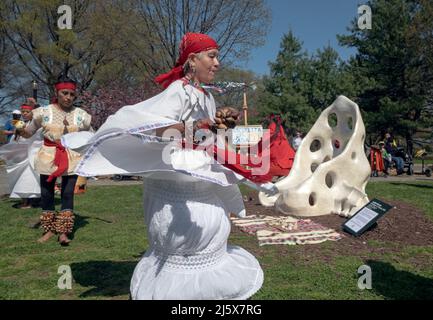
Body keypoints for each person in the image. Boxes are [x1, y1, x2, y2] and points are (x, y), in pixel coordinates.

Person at [62, 32, 265, 299]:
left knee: (210, 234)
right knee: (182, 241)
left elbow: (209, 135)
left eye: (217, 57)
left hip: (201, 175)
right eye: (212, 56)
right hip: (174, 177)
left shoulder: (206, 96)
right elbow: (156, 130)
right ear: (192, 60)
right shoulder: (177, 91)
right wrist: (201, 126)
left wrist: (221, 126)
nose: (217, 63)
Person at [16, 75, 92, 245]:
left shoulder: (81, 115)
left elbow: (90, 134)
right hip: (49, 155)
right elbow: (29, 132)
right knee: (47, 193)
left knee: (67, 193)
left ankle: (64, 232)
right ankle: (49, 229)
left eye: (72, 94)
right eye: (65, 93)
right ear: (57, 93)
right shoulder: (43, 112)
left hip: (71, 155)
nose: (68, 97)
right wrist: (20, 131)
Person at [0, 102, 42, 208]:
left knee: (30, 178)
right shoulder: (21, 123)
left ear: (32, 113)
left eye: (27, 112)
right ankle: (26, 200)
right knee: (21, 177)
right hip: (22, 155)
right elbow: (17, 137)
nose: (24, 114)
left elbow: (36, 138)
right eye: (23, 112)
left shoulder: (36, 124)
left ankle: (33, 200)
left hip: (32, 154)